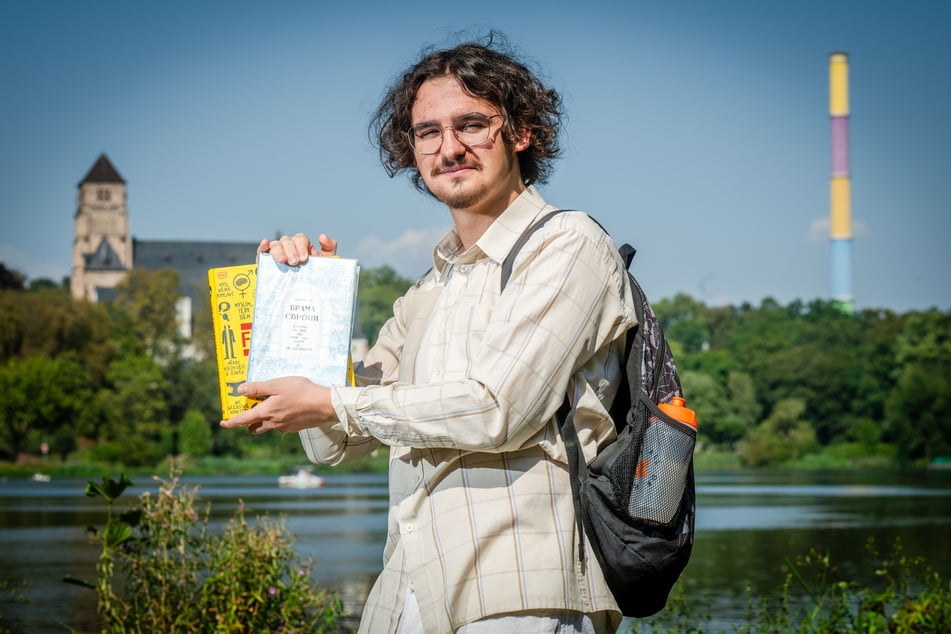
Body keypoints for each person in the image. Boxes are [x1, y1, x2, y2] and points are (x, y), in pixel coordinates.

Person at [222, 35, 637, 634]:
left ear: (521, 132)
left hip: (519, 589)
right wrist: (305, 309)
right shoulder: (426, 290)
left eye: (472, 125)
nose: (450, 148)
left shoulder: (567, 244)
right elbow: (333, 442)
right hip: (407, 593)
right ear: (410, 150)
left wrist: (334, 402)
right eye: (427, 132)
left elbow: (501, 407)